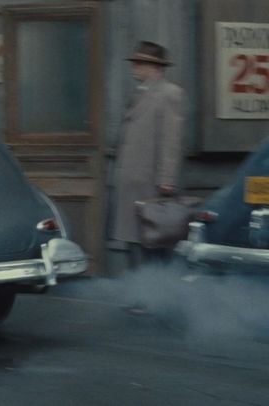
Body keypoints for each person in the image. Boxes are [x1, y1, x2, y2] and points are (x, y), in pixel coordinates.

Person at [109, 41, 185, 312]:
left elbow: (171, 141)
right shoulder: (140, 93)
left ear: (155, 67)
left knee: (152, 244)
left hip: (149, 182)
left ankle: (155, 297)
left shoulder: (169, 93)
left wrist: (167, 178)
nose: (134, 68)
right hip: (131, 180)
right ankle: (140, 295)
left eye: (139, 63)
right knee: (134, 243)